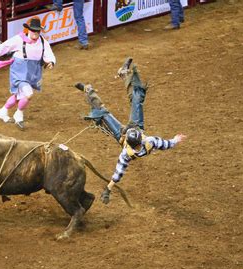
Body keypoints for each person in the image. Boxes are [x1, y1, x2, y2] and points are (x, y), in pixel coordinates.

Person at [76, 58, 187, 204]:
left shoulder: (126, 153)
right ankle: (124, 73)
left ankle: (88, 90)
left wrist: (108, 190)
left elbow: (118, 173)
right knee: (137, 98)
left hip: (120, 134)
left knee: (102, 113)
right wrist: (175, 140)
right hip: (136, 126)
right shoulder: (150, 141)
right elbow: (166, 144)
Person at [0, 17, 56, 130]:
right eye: (33, 30)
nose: (35, 33)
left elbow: (49, 54)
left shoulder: (43, 42)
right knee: (28, 94)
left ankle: (3, 111)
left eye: (37, 31)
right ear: (28, 30)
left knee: (18, 96)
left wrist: (51, 62)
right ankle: (19, 114)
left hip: (33, 72)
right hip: (19, 72)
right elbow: (6, 46)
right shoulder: (19, 39)